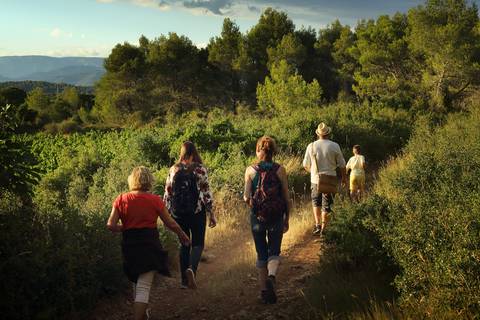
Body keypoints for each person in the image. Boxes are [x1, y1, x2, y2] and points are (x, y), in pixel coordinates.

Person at [107, 166, 190, 320]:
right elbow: (170, 223)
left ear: (132, 180)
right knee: (143, 287)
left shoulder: (121, 199)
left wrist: (126, 227)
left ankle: (143, 315)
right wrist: (182, 234)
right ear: (149, 181)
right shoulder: (155, 200)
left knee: (136, 282)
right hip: (149, 245)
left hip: (129, 245)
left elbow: (110, 225)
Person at [164, 141, 217, 290]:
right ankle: (191, 270)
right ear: (194, 153)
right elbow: (206, 193)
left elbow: (168, 192)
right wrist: (211, 213)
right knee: (198, 244)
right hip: (196, 212)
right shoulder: (200, 169)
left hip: (178, 213)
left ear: (181, 153)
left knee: (184, 243)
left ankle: (183, 282)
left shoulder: (173, 169)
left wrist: (167, 213)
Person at [244, 136, 290, 304]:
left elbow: (245, 196)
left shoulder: (250, 170)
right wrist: (287, 218)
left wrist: (254, 207)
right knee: (274, 251)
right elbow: (286, 197)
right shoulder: (280, 169)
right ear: (274, 152)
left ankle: (264, 292)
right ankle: (271, 276)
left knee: (261, 253)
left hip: (257, 218)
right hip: (276, 216)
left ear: (258, 150)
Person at [303, 122, 346, 236]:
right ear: (328, 133)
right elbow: (342, 165)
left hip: (315, 179)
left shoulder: (311, 146)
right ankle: (324, 228)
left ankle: (317, 225)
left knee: (316, 202)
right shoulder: (335, 146)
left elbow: (305, 165)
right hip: (330, 179)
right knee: (327, 204)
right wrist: (344, 178)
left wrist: (313, 172)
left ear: (318, 134)